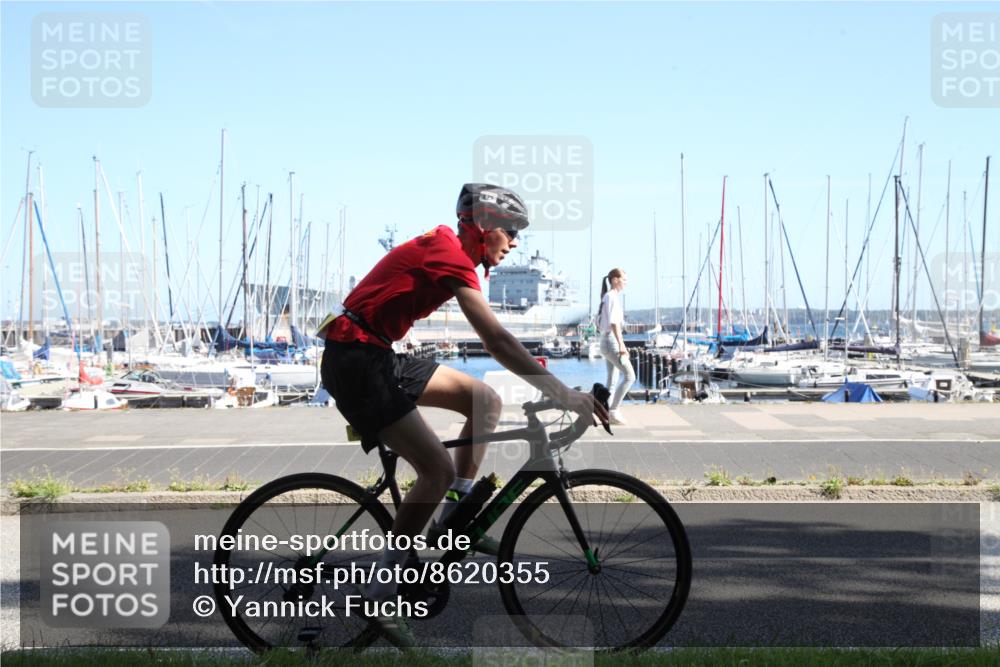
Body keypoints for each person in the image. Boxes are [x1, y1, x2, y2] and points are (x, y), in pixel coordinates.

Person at [316, 183, 608, 647]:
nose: (514, 243)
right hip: (355, 359)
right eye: (511, 232)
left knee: (484, 400)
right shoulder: (448, 254)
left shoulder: (455, 254)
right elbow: (497, 341)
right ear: (486, 225)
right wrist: (561, 392)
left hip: (375, 352)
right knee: (434, 468)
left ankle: (450, 526)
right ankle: (378, 592)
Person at [596, 268, 635, 425]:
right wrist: (621, 345)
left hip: (605, 340)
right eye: (624, 279)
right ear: (615, 280)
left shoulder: (606, 297)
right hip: (611, 341)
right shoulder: (612, 297)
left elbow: (599, 322)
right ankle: (613, 410)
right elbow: (614, 323)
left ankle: (604, 411)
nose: (626, 282)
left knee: (612, 379)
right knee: (630, 376)